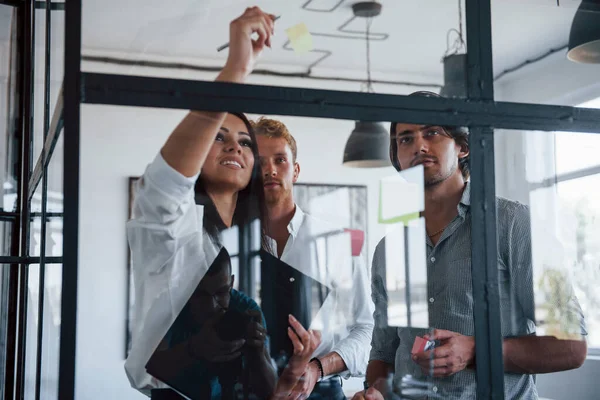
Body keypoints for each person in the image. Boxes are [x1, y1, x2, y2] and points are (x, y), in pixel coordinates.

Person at [352, 91, 588, 400]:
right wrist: (374, 393)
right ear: (397, 157)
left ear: (462, 147)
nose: (419, 145)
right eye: (405, 139)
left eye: (433, 133)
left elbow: (571, 346)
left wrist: (477, 350)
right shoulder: (389, 250)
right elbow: (384, 353)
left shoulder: (512, 224)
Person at [125, 7, 310, 399]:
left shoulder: (249, 249)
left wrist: (298, 367)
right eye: (219, 137)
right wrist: (236, 71)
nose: (233, 147)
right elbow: (165, 185)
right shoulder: (172, 226)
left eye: (246, 143)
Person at [254, 117, 375, 400]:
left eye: (279, 160)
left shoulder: (336, 243)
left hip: (321, 391)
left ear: (295, 170)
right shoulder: (233, 246)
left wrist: (318, 368)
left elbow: (365, 328)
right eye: (260, 162)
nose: (270, 170)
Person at [145, 247, 273, 399]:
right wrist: (193, 349)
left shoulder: (245, 311)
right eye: (200, 294)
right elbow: (148, 373)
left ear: (231, 283)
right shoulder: (167, 307)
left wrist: (257, 357)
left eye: (221, 292)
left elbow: (271, 393)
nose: (212, 305)